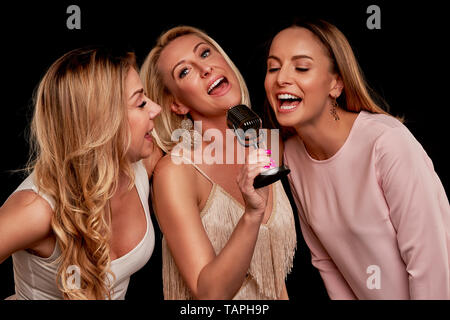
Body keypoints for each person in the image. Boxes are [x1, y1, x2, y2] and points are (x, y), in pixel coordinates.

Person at [264, 18, 450, 299]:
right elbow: (326, 262)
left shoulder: (387, 143)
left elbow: (429, 265)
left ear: (336, 84)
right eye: (273, 67)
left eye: (301, 67)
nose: (281, 78)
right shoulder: (292, 157)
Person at [140, 26, 296, 300]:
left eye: (205, 53)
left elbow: (273, 280)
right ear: (177, 104)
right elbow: (209, 294)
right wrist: (251, 214)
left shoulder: (266, 142)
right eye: (184, 71)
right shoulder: (176, 172)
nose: (205, 68)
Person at [0, 46, 162, 300]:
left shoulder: (143, 162)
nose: (156, 109)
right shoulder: (35, 210)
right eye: (141, 102)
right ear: (101, 122)